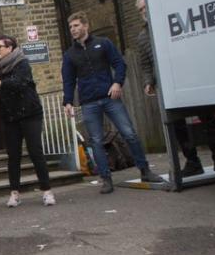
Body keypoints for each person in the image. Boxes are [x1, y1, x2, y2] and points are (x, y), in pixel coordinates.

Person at [135, 0, 215, 177]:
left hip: (191, 79)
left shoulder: (171, 23)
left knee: (208, 119)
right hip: (167, 87)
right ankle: (193, 162)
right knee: (178, 126)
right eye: (140, 9)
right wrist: (147, 82)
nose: (144, 10)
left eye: (146, 6)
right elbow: (146, 64)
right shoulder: (142, 37)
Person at [61, 11, 164, 194]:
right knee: (96, 141)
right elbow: (68, 80)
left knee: (129, 133)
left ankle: (145, 171)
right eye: (70, 27)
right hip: (89, 103)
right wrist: (68, 102)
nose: (73, 29)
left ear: (85, 26)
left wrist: (117, 83)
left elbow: (119, 64)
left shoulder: (104, 43)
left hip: (110, 98)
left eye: (76, 25)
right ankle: (106, 179)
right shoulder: (70, 55)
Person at [0, 36, 55, 207]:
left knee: (35, 151)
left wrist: (0, 81)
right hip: (10, 117)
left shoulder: (21, 63)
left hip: (30, 113)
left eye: (0, 46)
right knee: (13, 155)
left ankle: (47, 191)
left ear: (10, 48)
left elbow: (20, 83)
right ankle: (14, 193)